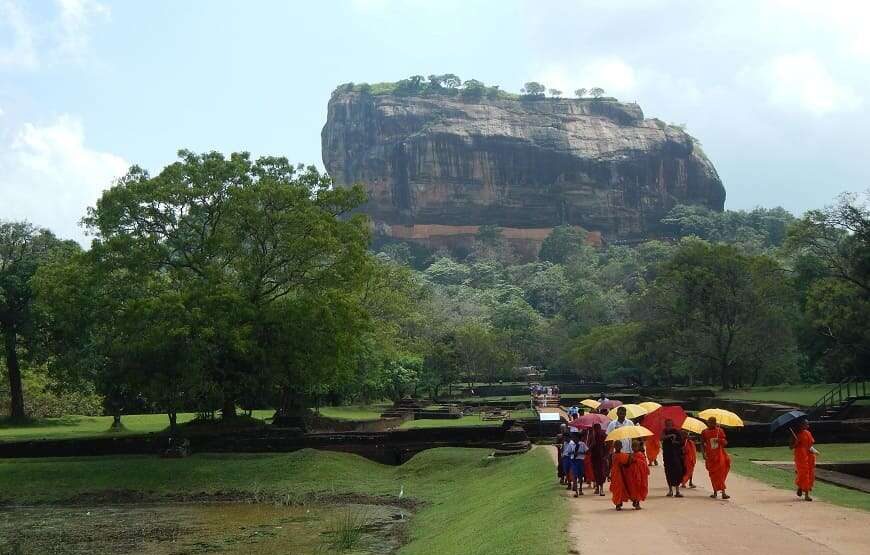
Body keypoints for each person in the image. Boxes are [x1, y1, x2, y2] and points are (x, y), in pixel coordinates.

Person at [702, 417, 731, 499]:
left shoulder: (720, 431)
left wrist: (719, 440)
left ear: (715, 423)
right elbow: (702, 443)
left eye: (712, 422)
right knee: (713, 475)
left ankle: (723, 493)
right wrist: (703, 454)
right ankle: (715, 492)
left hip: (720, 455)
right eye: (709, 422)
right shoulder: (704, 432)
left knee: (720, 474)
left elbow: (725, 443)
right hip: (710, 456)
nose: (710, 424)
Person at [790, 420, 817, 501]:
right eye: (806, 424)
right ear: (801, 425)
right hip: (800, 456)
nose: (808, 425)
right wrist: (796, 443)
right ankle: (806, 495)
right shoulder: (796, 434)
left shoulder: (808, 433)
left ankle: (800, 487)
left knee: (810, 473)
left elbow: (810, 444)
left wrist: (814, 450)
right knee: (804, 473)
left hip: (809, 455)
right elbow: (791, 447)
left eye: (808, 424)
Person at [661, 419, 685, 498]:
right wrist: (670, 436)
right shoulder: (664, 431)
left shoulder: (676, 431)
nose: (668, 426)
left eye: (670, 424)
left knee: (677, 471)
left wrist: (676, 442)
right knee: (668, 471)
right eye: (667, 424)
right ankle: (670, 490)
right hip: (667, 455)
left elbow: (682, 442)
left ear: (672, 424)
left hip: (676, 455)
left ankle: (677, 491)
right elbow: (661, 438)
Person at [625, 439, 650, 510]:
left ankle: (637, 502)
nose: (634, 448)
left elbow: (644, 464)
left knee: (639, 487)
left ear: (639, 447)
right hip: (632, 475)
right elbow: (628, 464)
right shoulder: (631, 455)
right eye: (633, 446)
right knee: (633, 488)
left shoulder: (641, 455)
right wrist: (630, 459)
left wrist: (636, 460)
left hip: (640, 475)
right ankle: (635, 501)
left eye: (636, 446)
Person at [609, 440, 631, 510]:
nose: (618, 447)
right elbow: (610, 465)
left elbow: (627, 464)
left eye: (619, 445)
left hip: (622, 474)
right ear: (614, 447)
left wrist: (629, 458)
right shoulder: (612, 455)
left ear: (621, 447)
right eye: (616, 446)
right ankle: (617, 503)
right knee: (616, 489)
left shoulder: (623, 455)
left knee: (621, 488)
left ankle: (619, 501)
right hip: (615, 474)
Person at [588, 422, 608, 496]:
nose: (597, 430)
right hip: (595, 456)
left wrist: (606, 455)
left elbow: (607, 444)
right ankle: (598, 488)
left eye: (597, 428)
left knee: (601, 473)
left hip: (601, 456)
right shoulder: (592, 436)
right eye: (595, 429)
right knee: (597, 472)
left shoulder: (603, 435)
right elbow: (589, 447)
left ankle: (600, 489)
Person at [572, 432, 589, 497]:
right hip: (574, 461)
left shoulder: (582, 444)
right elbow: (568, 452)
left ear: (578, 438)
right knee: (574, 476)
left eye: (574, 437)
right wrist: (573, 453)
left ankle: (580, 489)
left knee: (580, 476)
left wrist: (581, 453)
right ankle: (576, 491)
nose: (573, 439)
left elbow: (587, 452)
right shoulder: (572, 444)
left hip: (580, 461)